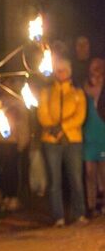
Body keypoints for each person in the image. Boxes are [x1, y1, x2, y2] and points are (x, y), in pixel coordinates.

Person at [37, 57, 87, 226]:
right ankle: (58, 217)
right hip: (51, 141)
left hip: (73, 141)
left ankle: (79, 213)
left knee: (76, 178)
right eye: (58, 70)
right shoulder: (46, 92)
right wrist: (53, 129)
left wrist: (63, 128)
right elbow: (42, 114)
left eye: (64, 70)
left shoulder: (77, 93)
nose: (61, 73)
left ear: (69, 72)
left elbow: (80, 116)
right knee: (54, 181)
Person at [83, 57, 105, 217]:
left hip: (103, 137)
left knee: (103, 172)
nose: (96, 75)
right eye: (93, 70)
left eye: (99, 70)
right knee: (90, 172)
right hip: (88, 137)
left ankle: (103, 203)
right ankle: (91, 205)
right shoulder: (84, 91)